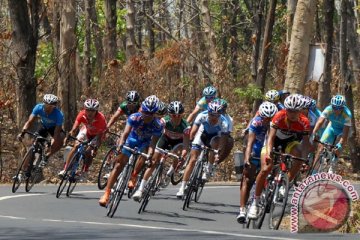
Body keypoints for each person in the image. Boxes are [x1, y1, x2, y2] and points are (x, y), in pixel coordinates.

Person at [248, 94, 311, 219]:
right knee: (266, 168)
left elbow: (305, 144)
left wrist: (305, 160)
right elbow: (270, 137)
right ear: (285, 109)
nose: (292, 114)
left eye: (295, 111)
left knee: (298, 157)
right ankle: (255, 202)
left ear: (300, 111)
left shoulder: (304, 122)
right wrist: (269, 153)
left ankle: (284, 182)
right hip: (273, 141)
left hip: (290, 142)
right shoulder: (279, 116)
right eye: (289, 110)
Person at [99, 95, 164, 207]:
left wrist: (149, 156)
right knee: (119, 165)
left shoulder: (158, 125)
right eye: (145, 112)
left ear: (155, 114)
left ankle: (134, 175)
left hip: (145, 143)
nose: (147, 116)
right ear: (141, 110)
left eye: (151, 114)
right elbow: (125, 134)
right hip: (131, 140)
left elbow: (153, 144)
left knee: (144, 154)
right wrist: (120, 146)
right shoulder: (134, 117)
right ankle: (107, 193)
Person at [132, 101, 190, 201]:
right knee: (153, 162)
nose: (176, 117)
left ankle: (170, 173)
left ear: (182, 114)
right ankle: (140, 189)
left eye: (179, 115)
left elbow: (185, 144)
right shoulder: (163, 121)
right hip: (165, 139)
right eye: (173, 115)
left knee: (178, 154)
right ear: (169, 115)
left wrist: (183, 155)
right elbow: (156, 134)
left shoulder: (185, 126)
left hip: (178, 142)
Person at [176, 100, 229, 198]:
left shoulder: (224, 122)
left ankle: (208, 167)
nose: (214, 118)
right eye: (212, 115)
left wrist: (218, 152)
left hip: (215, 137)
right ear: (208, 112)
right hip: (202, 134)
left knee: (215, 145)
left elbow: (223, 139)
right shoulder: (202, 116)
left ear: (220, 115)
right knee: (192, 160)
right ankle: (182, 187)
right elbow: (193, 131)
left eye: (217, 116)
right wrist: (191, 143)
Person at [237, 102, 278, 223]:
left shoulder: (276, 123)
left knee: (273, 170)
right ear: (261, 115)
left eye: (270, 118)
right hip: (256, 149)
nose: (267, 120)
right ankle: (242, 210)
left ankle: (271, 194)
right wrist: (246, 159)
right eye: (265, 118)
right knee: (247, 179)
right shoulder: (256, 122)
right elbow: (250, 143)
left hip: (268, 150)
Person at [17, 94, 65, 178]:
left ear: (54, 106)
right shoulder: (38, 108)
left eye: (51, 106)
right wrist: (22, 133)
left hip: (54, 129)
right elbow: (29, 122)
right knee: (33, 146)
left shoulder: (59, 115)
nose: (48, 108)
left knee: (60, 139)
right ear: (43, 104)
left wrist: (51, 145)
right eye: (46, 106)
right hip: (43, 126)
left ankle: (47, 156)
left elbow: (56, 133)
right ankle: (22, 172)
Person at [58, 99, 107, 180]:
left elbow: (100, 137)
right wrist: (68, 137)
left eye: (92, 111)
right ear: (85, 109)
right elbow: (74, 128)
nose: (90, 113)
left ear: (96, 111)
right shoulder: (82, 114)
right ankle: (65, 169)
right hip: (86, 130)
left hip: (97, 135)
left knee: (89, 152)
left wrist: (95, 148)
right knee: (75, 146)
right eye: (88, 110)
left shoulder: (101, 119)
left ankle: (85, 171)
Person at [311, 95, 352, 173]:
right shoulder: (328, 109)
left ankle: (333, 163)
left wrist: (340, 144)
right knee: (320, 147)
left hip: (342, 131)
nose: (336, 110)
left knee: (338, 148)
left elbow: (345, 133)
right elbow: (320, 122)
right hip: (332, 128)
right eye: (334, 107)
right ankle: (314, 171)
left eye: (339, 108)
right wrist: (314, 132)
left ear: (343, 107)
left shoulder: (347, 114)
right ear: (331, 106)